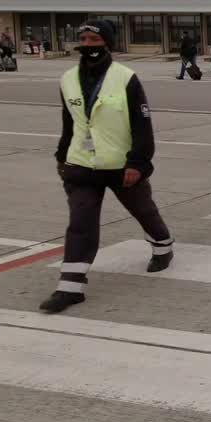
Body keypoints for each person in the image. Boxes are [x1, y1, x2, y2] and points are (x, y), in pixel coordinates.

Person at [40, 19, 174, 314]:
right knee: (80, 223)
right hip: (81, 165)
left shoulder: (126, 78)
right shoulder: (67, 79)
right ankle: (70, 288)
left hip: (121, 165)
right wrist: (62, 158)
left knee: (144, 211)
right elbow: (69, 124)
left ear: (107, 43)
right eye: (83, 39)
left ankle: (163, 246)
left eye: (93, 40)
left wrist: (138, 163)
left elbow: (142, 125)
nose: (87, 45)